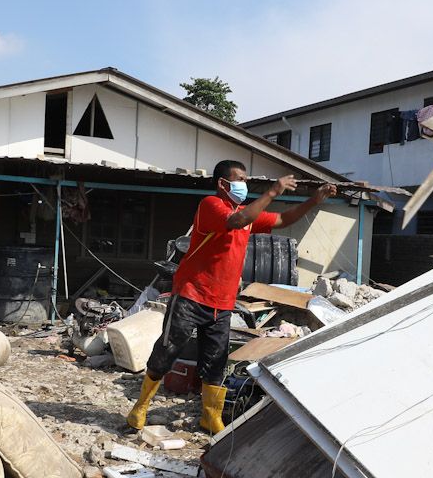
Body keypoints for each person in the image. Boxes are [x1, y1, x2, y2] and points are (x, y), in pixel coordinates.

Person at [126, 160, 336, 434]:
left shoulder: (246, 212)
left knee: (216, 360)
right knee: (168, 351)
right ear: (222, 184)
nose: (243, 184)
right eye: (238, 179)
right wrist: (272, 191)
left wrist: (314, 200)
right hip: (191, 294)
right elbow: (237, 221)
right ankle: (140, 407)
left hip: (222, 302)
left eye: (246, 179)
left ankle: (210, 417)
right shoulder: (211, 205)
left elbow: (283, 220)